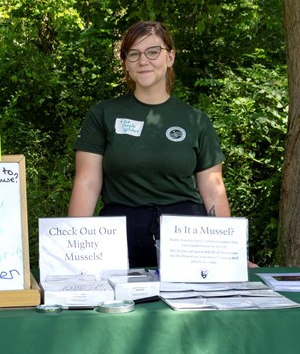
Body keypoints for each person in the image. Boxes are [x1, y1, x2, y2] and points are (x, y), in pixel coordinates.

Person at [67, 21, 233, 268]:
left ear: (170, 57)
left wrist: (230, 251)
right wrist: (72, 250)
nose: (143, 60)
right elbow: (87, 184)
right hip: (118, 237)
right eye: (133, 54)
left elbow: (213, 189)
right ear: (125, 63)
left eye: (153, 51)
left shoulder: (196, 120)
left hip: (189, 240)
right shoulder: (103, 114)